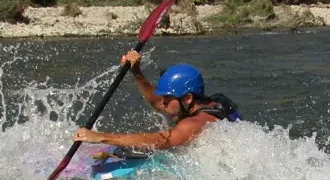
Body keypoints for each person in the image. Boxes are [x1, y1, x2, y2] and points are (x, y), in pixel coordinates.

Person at [73, 50, 242, 151]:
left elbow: (160, 140)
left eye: (167, 99)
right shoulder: (207, 103)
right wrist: (136, 72)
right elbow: (156, 101)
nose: (162, 104)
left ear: (188, 98)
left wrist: (102, 137)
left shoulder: (195, 123)